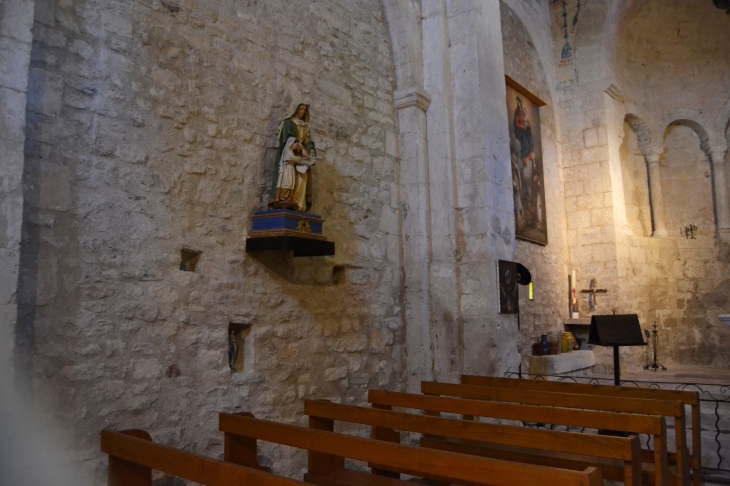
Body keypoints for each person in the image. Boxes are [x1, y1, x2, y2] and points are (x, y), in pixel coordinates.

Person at [269, 101, 316, 212]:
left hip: (302, 161)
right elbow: (289, 139)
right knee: (288, 181)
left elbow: (308, 141)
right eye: (300, 109)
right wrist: (301, 148)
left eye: (304, 110)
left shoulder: (305, 126)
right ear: (295, 109)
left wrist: (311, 151)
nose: (302, 112)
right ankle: (286, 201)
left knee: (302, 180)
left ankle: (298, 207)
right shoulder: (288, 123)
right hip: (291, 157)